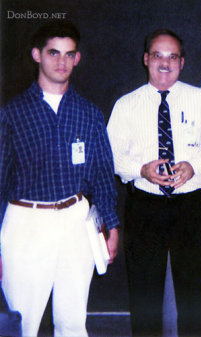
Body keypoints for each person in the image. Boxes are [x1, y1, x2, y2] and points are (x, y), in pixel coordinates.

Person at [0, 21, 119, 337]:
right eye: (54, 53)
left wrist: (112, 225)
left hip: (76, 222)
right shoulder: (11, 114)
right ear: (37, 55)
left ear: (77, 59)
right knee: (21, 324)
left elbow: (102, 176)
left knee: (72, 323)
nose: (61, 62)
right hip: (26, 223)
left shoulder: (89, 114)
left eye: (69, 54)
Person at [107, 29, 201, 337]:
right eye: (157, 55)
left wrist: (193, 165)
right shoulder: (126, 105)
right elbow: (111, 156)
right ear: (146, 59)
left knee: (193, 293)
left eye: (172, 56)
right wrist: (142, 170)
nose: (164, 63)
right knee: (145, 292)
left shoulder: (200, 99)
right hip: (145, 206)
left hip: (189, 206)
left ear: (182, 62)